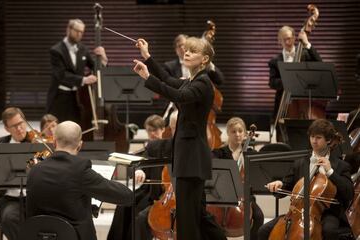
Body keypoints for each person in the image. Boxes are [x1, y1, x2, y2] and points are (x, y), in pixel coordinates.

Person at [133, 37, 225, 240]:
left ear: (204, 59)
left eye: (193, 51)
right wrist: (147, 56)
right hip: (191, 159)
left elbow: (178, 96)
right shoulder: (192, 81)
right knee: (199, 216)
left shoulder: (202, 84)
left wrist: (148, 78)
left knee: (187, 218)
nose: (187, 53)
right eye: (186, 50)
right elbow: (167, 78)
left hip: (192, 160)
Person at [26, 121, 132, 240]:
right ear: (80, 145)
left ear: (54, 142)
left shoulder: (34, 170)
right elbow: (125, 196)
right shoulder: (80, 169)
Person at [258, 119, 354, 240]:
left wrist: (330, 172)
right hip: (296, 212)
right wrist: (279, 184)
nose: (314, 141)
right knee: (263, 231)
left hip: (327, 214)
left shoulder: (340, 166)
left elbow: (349, 194)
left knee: (329, 232)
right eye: (312, 137)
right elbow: (286, 187)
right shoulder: (301, 162)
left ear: (329, 140)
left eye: (318, 137)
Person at [107, 114, 166, 240]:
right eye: (149, 130)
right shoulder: (149, 148)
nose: (152, 134)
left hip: (161, 193)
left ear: (163, 129)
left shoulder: (168, 148)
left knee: (138, 211)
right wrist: (138, 170)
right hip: (147, 189)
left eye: (155, 130)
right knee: (122, 205)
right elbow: (139, 162)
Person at [211, 117, 264, 239]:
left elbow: (257, 174)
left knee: (259, 216)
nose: (237, 134)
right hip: (221, 197)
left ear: (245, 134)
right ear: (228, 133)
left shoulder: (250, 154)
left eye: (240, 131)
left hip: (243, 197)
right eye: (233, 131)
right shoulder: (218, 153)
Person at [0, 107, 31, 240]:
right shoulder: (1, 143)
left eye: (21, 123)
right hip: (10, 200)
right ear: (6, 128)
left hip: (35, 198)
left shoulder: (36, 142)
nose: (19, 129)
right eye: (14, 126)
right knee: (8, 219)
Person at [46, 19, 107, 124]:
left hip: (78, 98)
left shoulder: (83, 49)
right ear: (68, 29)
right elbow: (61, 75)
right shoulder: (56, 50)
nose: (79, 34)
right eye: (77, 31)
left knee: (76, 128)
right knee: (58, 128)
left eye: (82, 32)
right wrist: (84, 79)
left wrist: (103, 58)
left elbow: (95, 68)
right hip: (60, 97)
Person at [268, 25, 322, 117]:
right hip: (283, 103)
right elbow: (272, 82)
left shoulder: (304, 54)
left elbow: (319, 63)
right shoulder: (274, 61)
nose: (287, 42)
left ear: (294, 38)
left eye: (289, 38)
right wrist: (288, 80)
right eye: (283, 39)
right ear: (279, 41)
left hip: (303, 99)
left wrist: (307, 43)